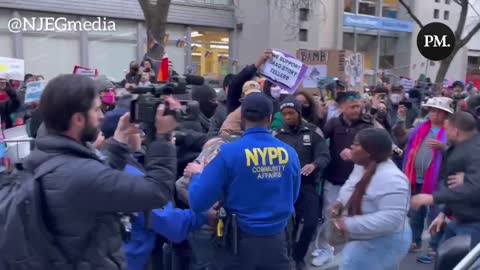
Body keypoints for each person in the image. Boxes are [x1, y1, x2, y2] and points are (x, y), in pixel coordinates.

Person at [22, 74, 179, 269]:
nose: (102, 116)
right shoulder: (80, 173)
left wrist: (119, 140)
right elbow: (157, 192)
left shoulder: (41, 158)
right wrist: (163, 137)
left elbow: (96, 180)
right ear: (78, 119)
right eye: (96, 109)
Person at [188, 93, 301, 270]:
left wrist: (198, 174)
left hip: (238, 245)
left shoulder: (227, 153)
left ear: (242, 117)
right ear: (270, 118)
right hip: (279, 243)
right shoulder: (289, 153)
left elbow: (197, 202)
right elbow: (292, 196)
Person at [331, 128, 411, 270]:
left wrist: (347, 224)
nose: (351, 147)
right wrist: (340, 203)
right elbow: (351, 185)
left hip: (385, 242)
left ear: (370, 151)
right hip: (364, 238)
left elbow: (391, 219)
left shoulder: (393, 179)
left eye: (356, 144)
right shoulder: (361, 166)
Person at [312, 91, 374, 267]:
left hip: (360, 183)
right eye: (352, 106)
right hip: (334, 179)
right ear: (341, 108)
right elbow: (319, 141)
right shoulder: (333, 123)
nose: (357, 109)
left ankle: (355, 253)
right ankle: (325, 249)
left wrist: (355, 154)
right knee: (329, 215)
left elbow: (377, 149)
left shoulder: (369, 124)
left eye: (358, 105)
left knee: (356, 218)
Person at [273, 97, 330, 270]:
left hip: (307, 186)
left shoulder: (314, 132)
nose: (288, 117)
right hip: (285, 188)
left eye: (291, 113)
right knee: (289, 227)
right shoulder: (276, 134)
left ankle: (299, 255)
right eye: (284, 114)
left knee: (311, 223)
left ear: (299, 113)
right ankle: (289, 257)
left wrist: (314, 165)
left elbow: (324, 156)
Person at [411, 111, 480, 248]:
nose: (445, 132)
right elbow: (455, 185)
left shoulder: (475, 151)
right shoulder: (460, 147)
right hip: (460, 219)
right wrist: (443, 213)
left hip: (474, 224)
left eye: (446, 129)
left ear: (455, 131)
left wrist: (432, 198)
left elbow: (474, 188)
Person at [402, 96, 453, 263]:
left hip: (439, 181)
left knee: (436, 214)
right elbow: (408, 150)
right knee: (415, 213)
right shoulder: (419, 129)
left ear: (446, 114)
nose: (435, 114)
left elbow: (459, 155)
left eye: (439, 111)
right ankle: (415, 241)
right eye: (432, 110)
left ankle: (434, 245)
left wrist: (443, 148)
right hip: (416, 178)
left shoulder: (452, 132)